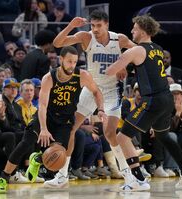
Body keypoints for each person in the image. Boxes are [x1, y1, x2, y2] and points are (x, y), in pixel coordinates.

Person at [0, 46, 106, 194]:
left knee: (57, 153)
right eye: (69, 61)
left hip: (65, 120)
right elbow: (43, 105)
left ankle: (37, 160)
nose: (72, 65)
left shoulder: (82, 75)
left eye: (75, 62)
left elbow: (97, 92)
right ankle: (4, 178)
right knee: (26, 143)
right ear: (61, 60)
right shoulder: (49, 78)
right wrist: (44, 129)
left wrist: (101, 108)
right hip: (46, 115)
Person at [105, 14, 182, 190]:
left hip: (153, 101)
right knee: (163, 136)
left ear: (141, 29)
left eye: (134, 27)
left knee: (122, 137)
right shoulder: (157, 48)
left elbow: (111, 70)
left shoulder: (136, 50)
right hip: (166, 99)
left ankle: (139, 180)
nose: (132, 30)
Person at [51, 9, 135, 188]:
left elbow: (140, 53)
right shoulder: (86, 37)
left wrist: (125, 64)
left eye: (98, 26)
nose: (95, 29)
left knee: (110, 133)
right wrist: (70, 26)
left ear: (107, 25)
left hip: (113, 91)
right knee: (71, 128)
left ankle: (129, 176)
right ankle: (62, 174)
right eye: (93, 25)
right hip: (91, 89)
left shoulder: (119, 39)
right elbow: (57, 43)